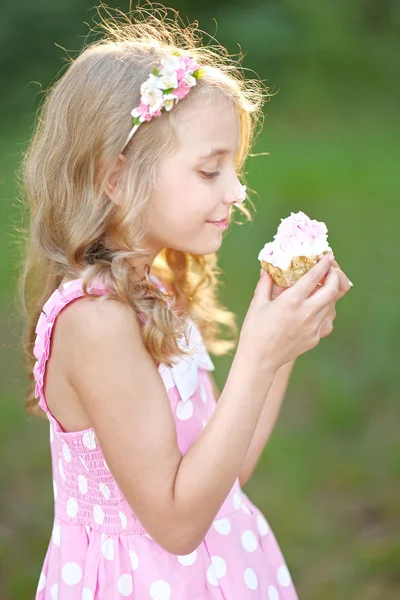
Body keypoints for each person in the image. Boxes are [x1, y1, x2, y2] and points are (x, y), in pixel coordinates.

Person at [18, 5, 351, 599]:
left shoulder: (154, 289)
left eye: (235, 168)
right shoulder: (95, 322)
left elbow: (227, 470)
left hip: (225, 569)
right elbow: (175, 523)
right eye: (209, 171)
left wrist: (279, 342)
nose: (236, 190)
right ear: (116, 178)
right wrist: (255, 354)